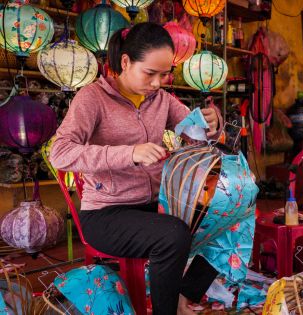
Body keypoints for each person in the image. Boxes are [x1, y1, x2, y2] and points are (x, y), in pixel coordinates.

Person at [50, 22, 223, 315]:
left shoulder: (162, 99)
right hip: (105, 214)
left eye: (164, 74)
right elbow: (60, 153)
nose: (157, 83)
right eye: (150, 73)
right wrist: (130, 154)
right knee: (173, 235)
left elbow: (197, 134)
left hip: (154, 205)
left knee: (224, 212)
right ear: (126, 62)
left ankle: (184, 296)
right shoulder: (92, 98)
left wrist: (212, 123)